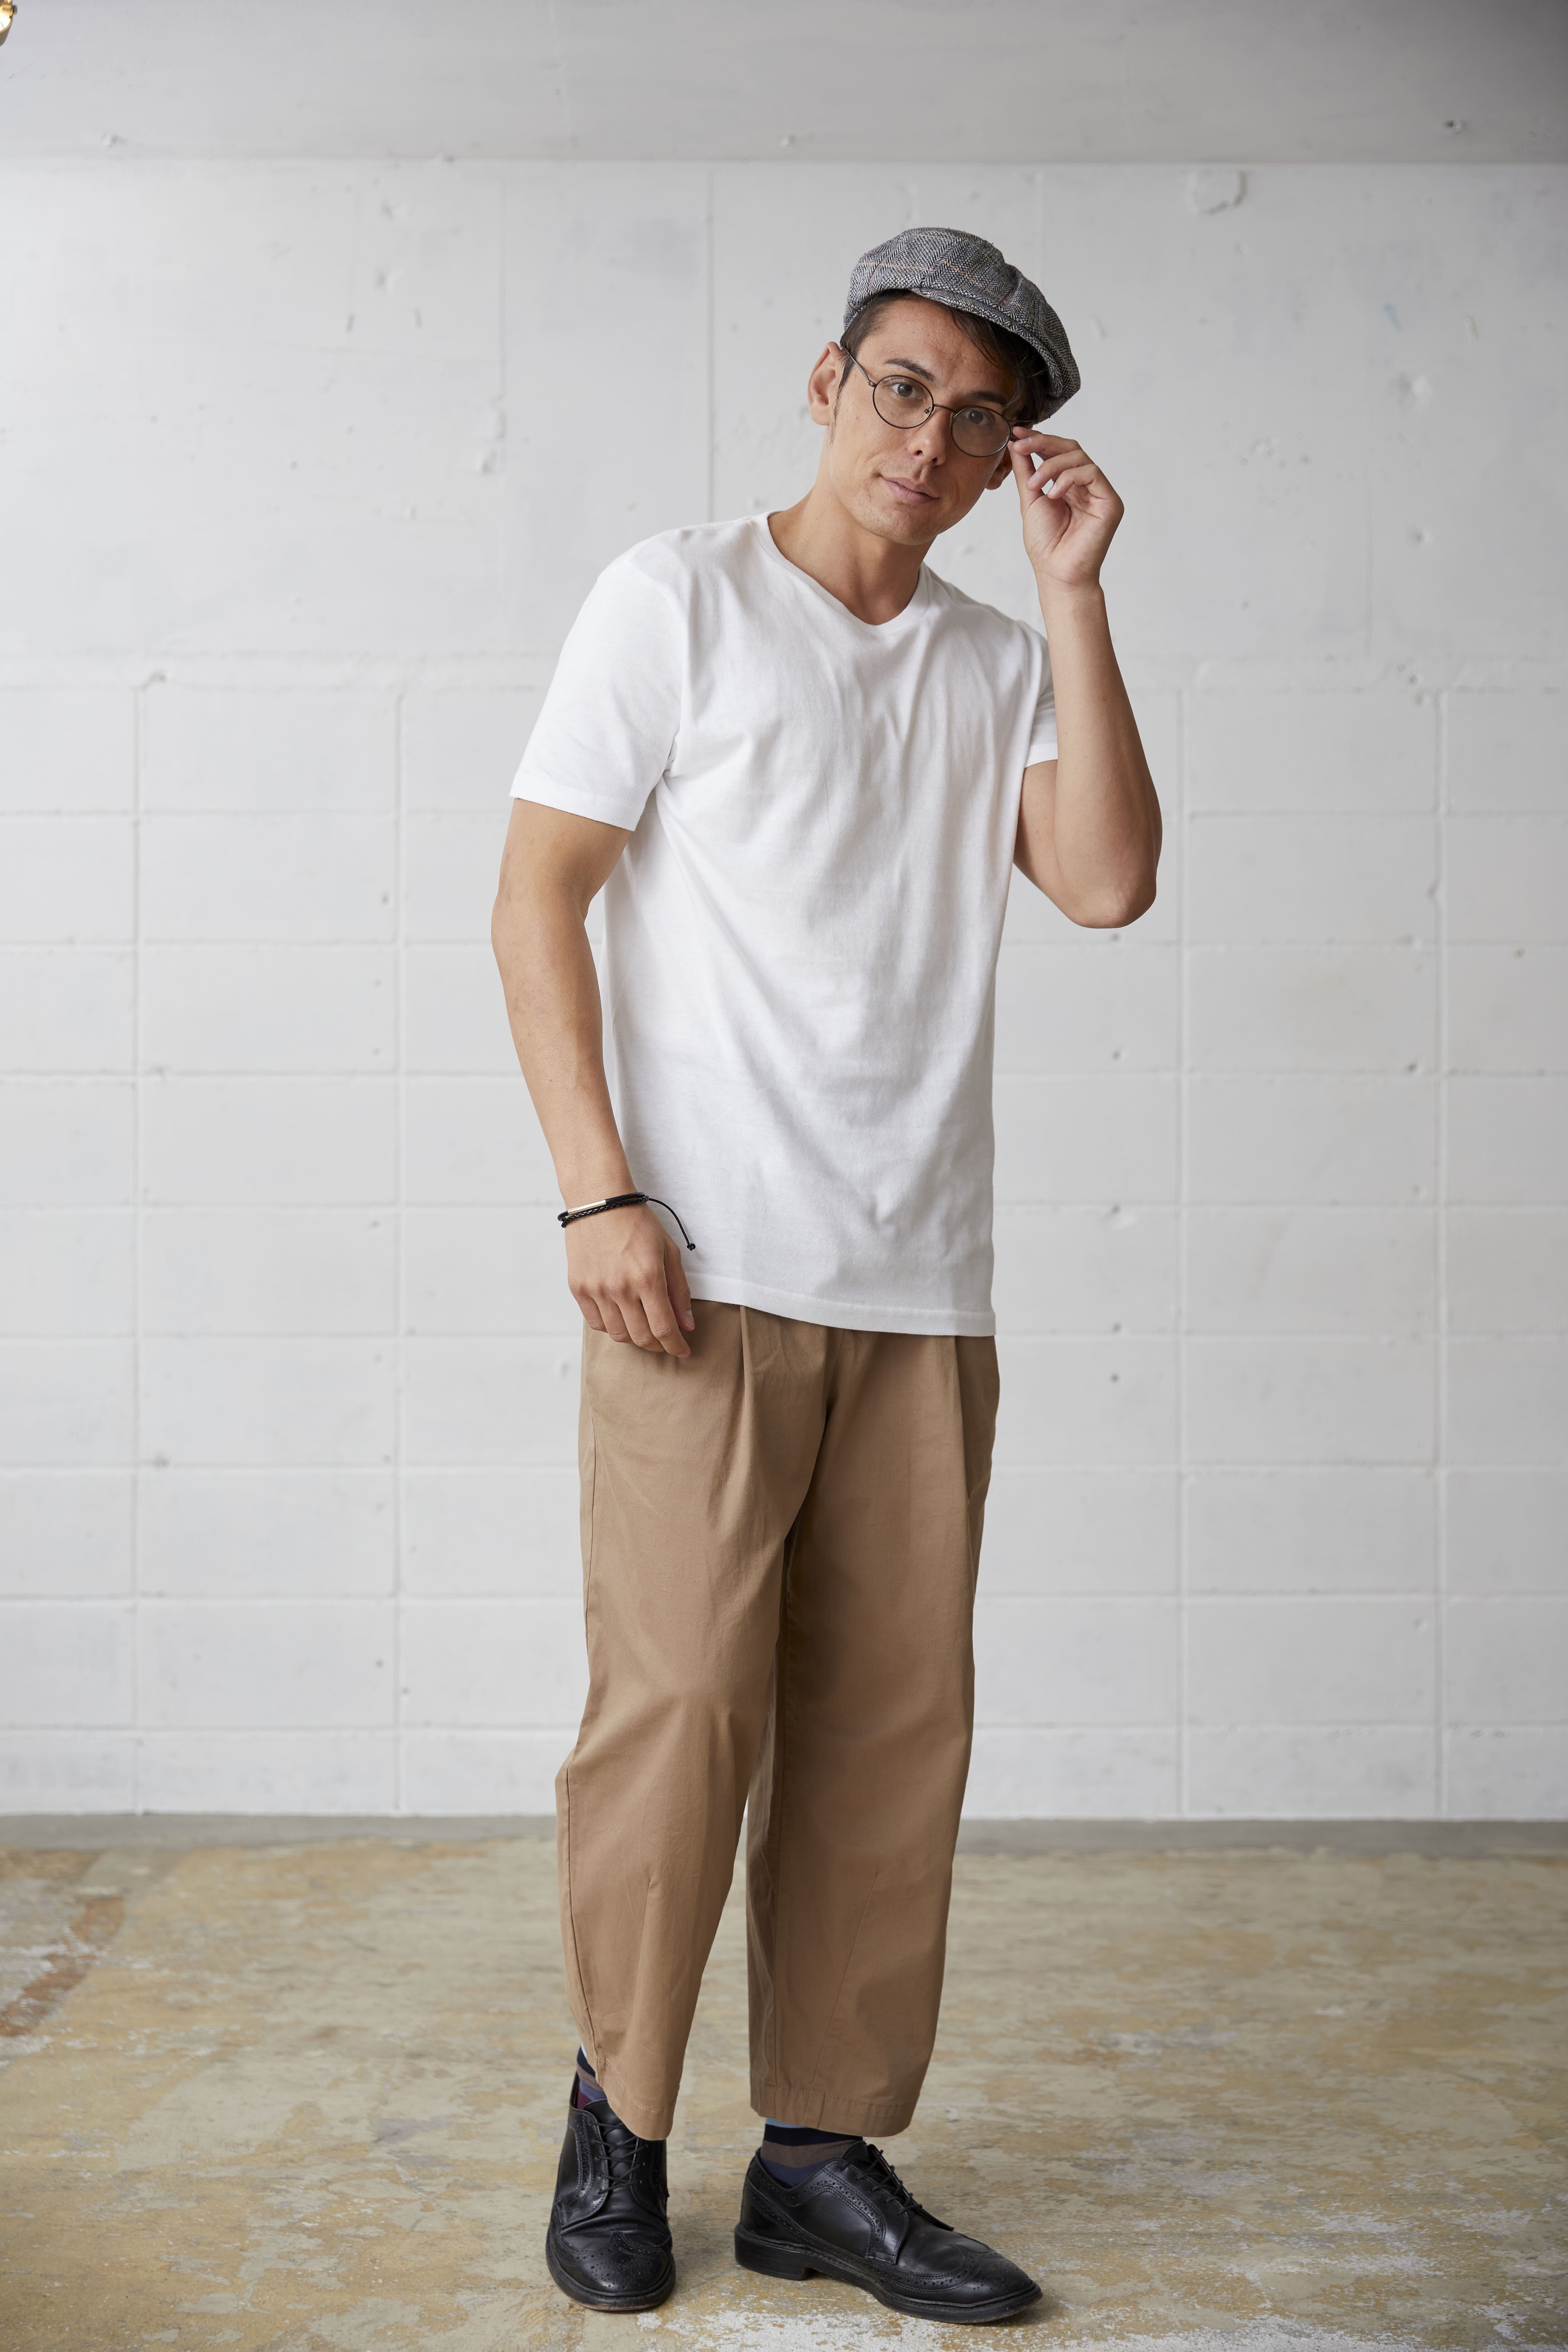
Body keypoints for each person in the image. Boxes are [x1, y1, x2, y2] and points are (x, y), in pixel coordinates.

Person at [491, 224, 1160, 2325]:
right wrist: (596, 1195)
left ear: (1008, 459)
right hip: (693, 1275)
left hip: (921, 1284)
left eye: (980, 420)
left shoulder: (990, 661)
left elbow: (1108, 880)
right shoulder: (676, 598)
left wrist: (1073, 598)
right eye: (903, 388)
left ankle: (817, 2156)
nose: (929, 439)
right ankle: (617, 2115)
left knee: (885, 1733)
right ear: (827, 380)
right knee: (679, 1716)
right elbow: (536, 897)